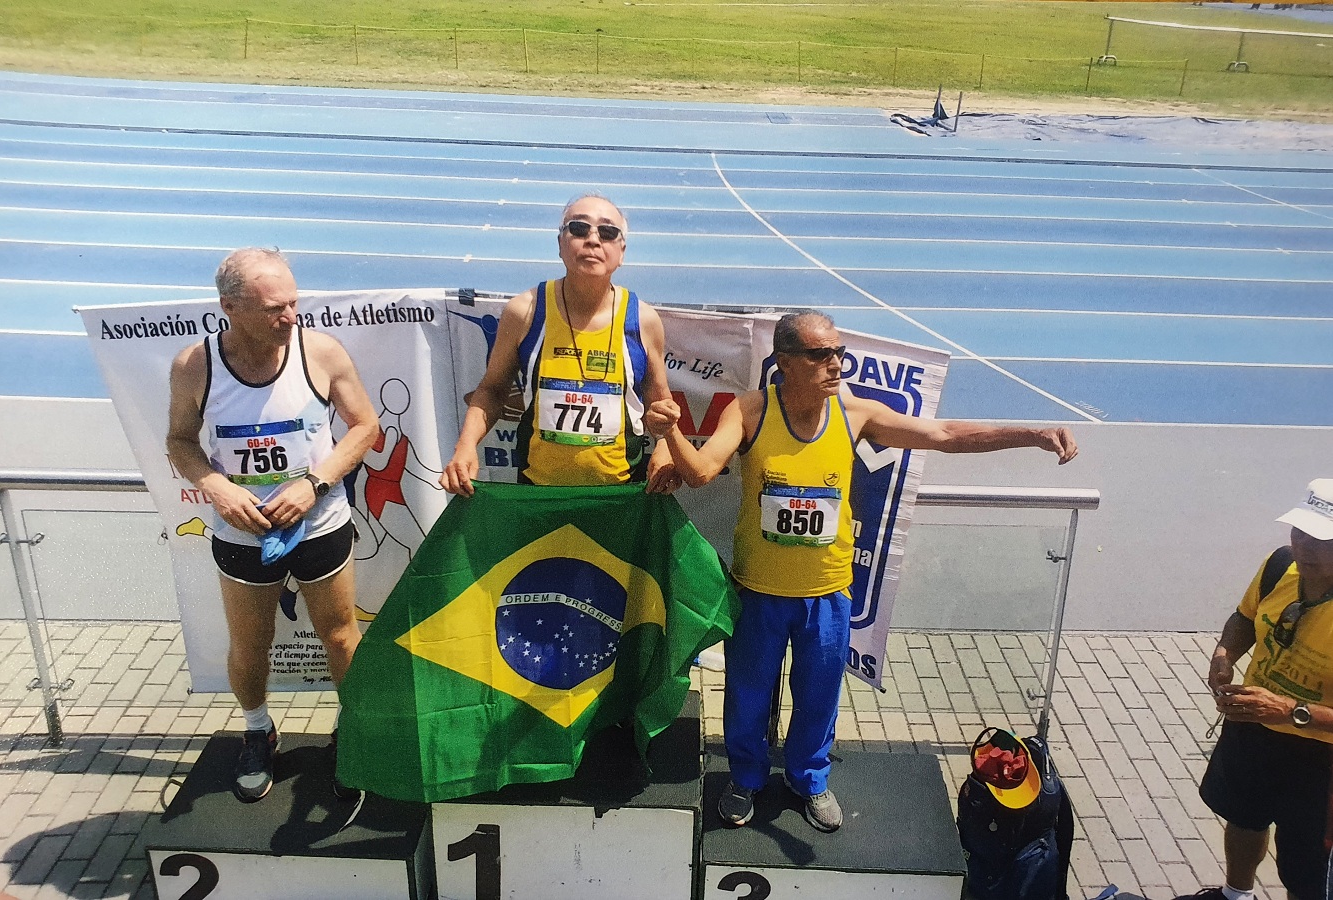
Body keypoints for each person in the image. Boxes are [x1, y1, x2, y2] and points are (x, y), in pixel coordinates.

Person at [646, 311, 1078, 833]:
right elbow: (700, 473)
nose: (835, 365)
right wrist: (669, 433)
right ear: (783, 361)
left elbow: (941, 433)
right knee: (747, 696)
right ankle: (746, 779)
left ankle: (810, 780)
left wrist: (1029, 434)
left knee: (819, 698)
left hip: (827, 594)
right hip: (757, 592)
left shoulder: (853, 415)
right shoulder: (751, 411)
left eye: (839, 353)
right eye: (820, 355)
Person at [166, 248, 379, 802]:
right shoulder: (196, 366)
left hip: (318, 524)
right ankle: (258, 729)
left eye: (294, 304)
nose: (290, 318)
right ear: (229, 307)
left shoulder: (321, 353)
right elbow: (180, 441)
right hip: (242, 530)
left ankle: (353, 730)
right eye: (274, 310)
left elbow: (364, 427)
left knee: (339, 636)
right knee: (250, 644)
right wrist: (215, 485)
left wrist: (315, 483)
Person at [441, 193, 678, 494]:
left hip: (620, 497)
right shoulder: (524, 311)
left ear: (622, 252)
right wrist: (465, 447)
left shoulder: (643, 320)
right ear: (560, 244)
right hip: (538, 495)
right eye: (579, 228)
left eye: (607, 232)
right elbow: (492, 391)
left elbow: (659, 403)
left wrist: (665, 447)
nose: (593, 240)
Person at [1176, 479, 1333, 900]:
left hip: (1321, 755)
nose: (1304, 544)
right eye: (1300, 530)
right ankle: (1235, 894)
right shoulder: (1280, 566)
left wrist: (1288, 710)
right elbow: (1244, 618)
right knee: (1245, 818)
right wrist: (1224, 654)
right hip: (1253, 726)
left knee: (1307, 862)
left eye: (1321, 537)